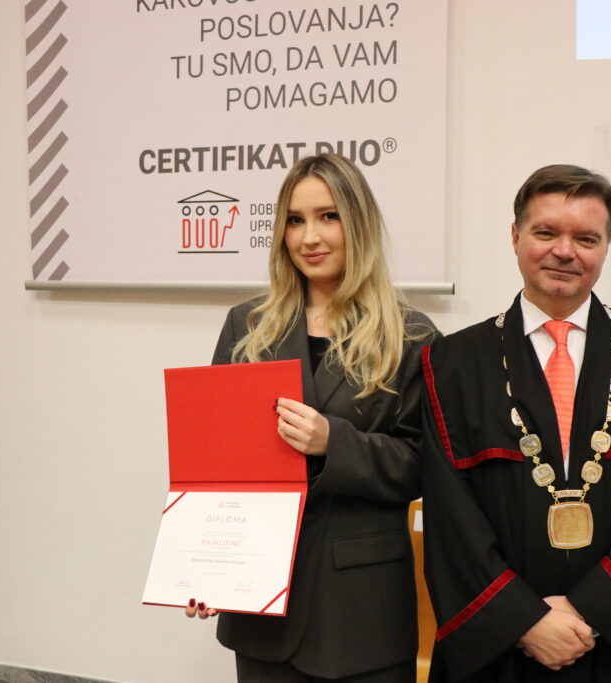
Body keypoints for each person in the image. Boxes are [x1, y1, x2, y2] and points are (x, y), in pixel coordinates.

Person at [419, 165, 611, 682]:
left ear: (607, 245)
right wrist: (523, 620)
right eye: (546, 232)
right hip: (495, 653)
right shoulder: (453, 362)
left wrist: (588, 613)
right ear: (515, 236)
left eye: (586, 238)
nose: (565, 251)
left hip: (608, 645)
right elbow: (450, 518)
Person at [188, 153, 438, 683]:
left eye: (329, 217)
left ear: (359, 223)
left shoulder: (410, 335)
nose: (309, 237)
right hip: (260, 603)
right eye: (295, 221)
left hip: (361, 613)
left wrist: (334, 442)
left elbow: (425, 467)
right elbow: (216, 467)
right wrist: (205, 566)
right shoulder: (246, 326)